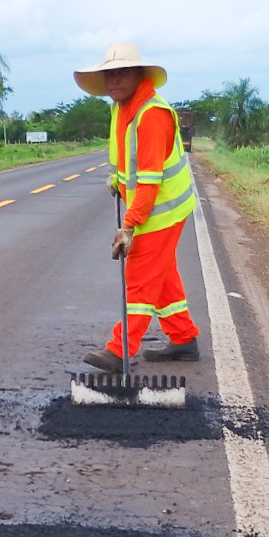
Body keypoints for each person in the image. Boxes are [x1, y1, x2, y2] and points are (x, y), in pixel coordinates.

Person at [73, 42, 200, 374]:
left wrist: (128, 227)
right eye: (109, 75)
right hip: (150, 205)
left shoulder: (151, 115)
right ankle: (183, 337)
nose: (114, 81)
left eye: (122, 73)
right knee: (163, 274)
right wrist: (115, 177)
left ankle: (120, 349)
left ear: (139, 75)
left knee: (141, 277)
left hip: (163, 208)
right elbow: (123, 154)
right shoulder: (121, 107)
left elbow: (150, 181)